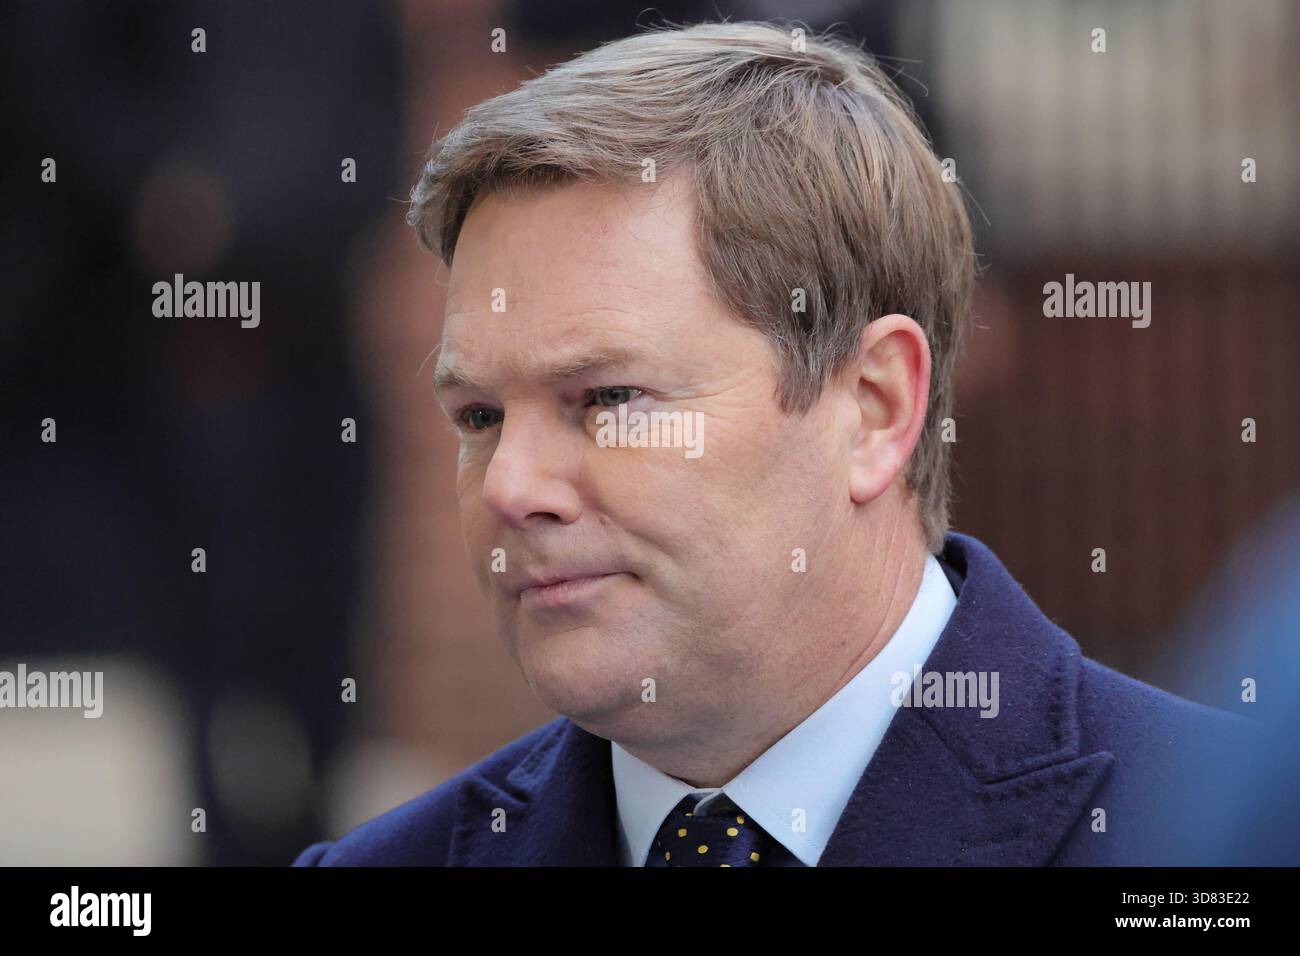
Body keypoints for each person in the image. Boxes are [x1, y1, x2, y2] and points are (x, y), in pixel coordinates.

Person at [293, 21, 1252, 867]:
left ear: (873, 407)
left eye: (609, 399)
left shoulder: (1219, 835)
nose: (511, 486)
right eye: (479, 417)